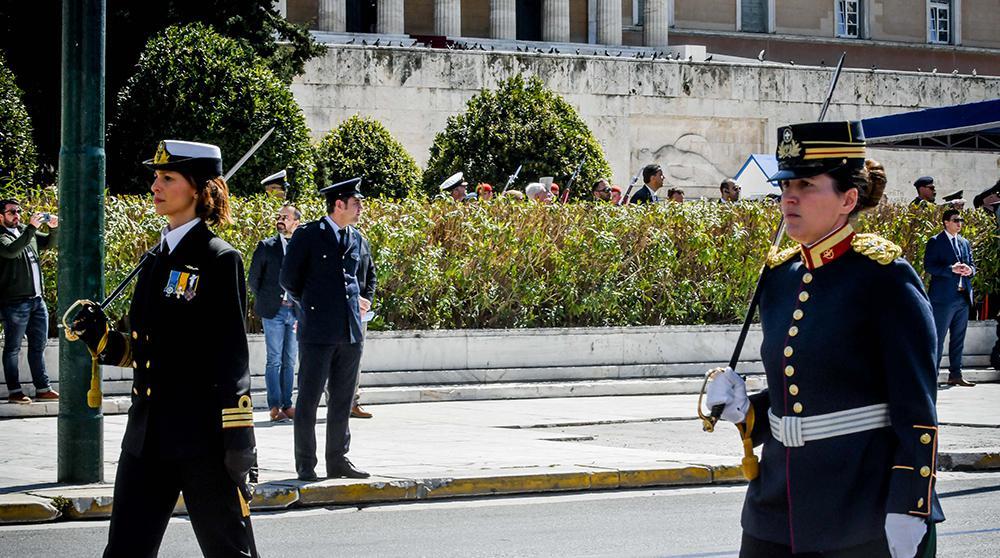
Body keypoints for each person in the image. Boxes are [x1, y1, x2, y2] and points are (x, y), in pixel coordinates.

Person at [707, 121, 942, 557]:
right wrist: (746, 411)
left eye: (807, 185)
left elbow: (916, 405)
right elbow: (799, 395)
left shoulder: (884, 278)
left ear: (848, 199)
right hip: (774, 505)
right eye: (786, 184)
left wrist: (910, 505)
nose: (788, 197)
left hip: (859, 507)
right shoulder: (778, 277)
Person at [70, 140, 258, 557]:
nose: (156, 185)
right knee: (124, 551)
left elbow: (231, 356)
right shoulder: (154, 258)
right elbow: (145, 350)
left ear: (198, 189)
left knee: (229, 551)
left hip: (202, 440)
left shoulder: (218, 259)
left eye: (168, 177)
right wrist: (101, 338)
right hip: (146, 437)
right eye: (156, 176)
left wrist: (240, 437)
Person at [280, 177, 371, 481]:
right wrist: (312, 304)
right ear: (339, 204)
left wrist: (366, 299)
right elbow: (289, 279)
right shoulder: (308, 235)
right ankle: (306, 463)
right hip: (318, 331)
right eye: (356, 203)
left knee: (343, 400)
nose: (361, 208)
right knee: (308, 400)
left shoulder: (357, 238)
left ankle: (338, 460)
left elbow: (368, 275)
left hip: (350, 331)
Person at [0, 199, 59, 404]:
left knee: (38, 346)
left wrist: (53, 229)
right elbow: (12, 251)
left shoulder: (26, 231)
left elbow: (50, 244)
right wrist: (32, 229)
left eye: (18, 211)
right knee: (13, 348)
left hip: (37, 301)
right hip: (14, 302)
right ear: (1, 217)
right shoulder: (2, 237)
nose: (17, 215)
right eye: (11, 212)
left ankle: (43, 388)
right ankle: (15, 391)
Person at [249, 203, 301, 422]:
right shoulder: (266, 246)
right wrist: (268, 299)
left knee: (290, 360)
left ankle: (287, 404)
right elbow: (253, 280)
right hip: (274, 311)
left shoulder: (301, 247)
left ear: (296, 223)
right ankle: (274, 406)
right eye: (279, 216)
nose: (280, 220)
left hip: (296, 312)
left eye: (286, 217)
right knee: (274, 360)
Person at [924, 208, 976, 387]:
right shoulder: (936, 241)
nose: (959, 223)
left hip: (962, 297)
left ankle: (956, 374)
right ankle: (932, 375)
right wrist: (950, 269)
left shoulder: (964, 242)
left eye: (961, 220)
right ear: (946, 222)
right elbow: (929, 266)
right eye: (955, 220)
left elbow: (972, 264)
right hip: (943, 299)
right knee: (938, 338)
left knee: (958, 338)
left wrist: (970, 270)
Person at [351, 228, 377, 420]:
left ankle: (353, 402)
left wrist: (366, 300)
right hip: (339, 309)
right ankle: (338, 402)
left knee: (356, 358)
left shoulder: (362, 241)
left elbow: (371, 274)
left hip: (360, 312)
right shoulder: (332, 241)